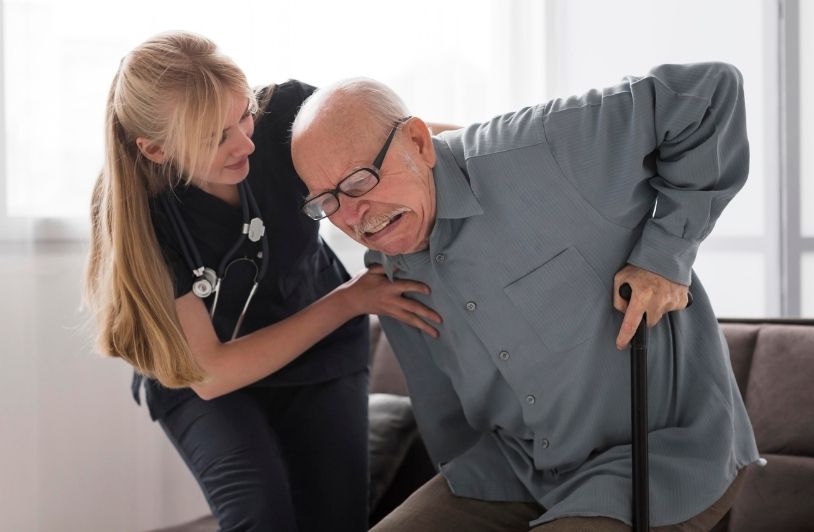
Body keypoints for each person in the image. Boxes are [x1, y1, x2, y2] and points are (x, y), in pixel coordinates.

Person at [289, 64, 761, 531]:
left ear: (417, 141)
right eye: (327, 201)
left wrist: (665, 257)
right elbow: (443, 412)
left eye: (359, 182)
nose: (352, 216)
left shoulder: (543, 148)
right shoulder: (387, 272)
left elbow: (707, 94)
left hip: (662, 458)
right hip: (512, 470)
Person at [83, 31, 441, 532]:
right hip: (204, 375)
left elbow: (400, 143)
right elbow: (211, 373)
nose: (246, 142)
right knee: (260, 513)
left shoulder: (286, 117)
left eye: (243, 114)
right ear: (156, 150)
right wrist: (349, 301)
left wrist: (503, 148)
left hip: (320, 357)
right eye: (215, 137)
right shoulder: (139, 217)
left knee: (335, 520)